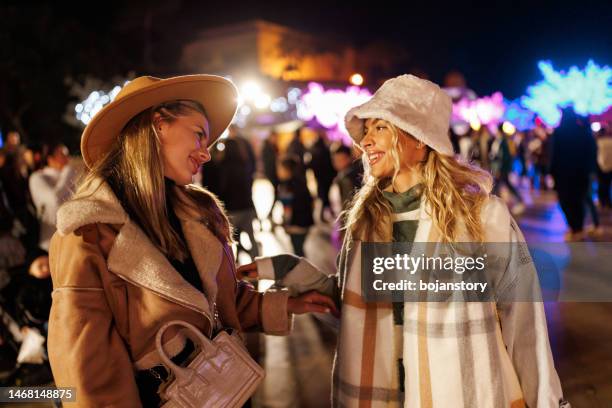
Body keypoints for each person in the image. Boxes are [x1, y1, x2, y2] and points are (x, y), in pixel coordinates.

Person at [241, 75, 567, 407]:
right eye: (366, 130)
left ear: (420, 139)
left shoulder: (480, 215)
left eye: (380, 127)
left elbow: (524, 320)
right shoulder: (366, 220)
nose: (365, 141)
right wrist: (296, 274)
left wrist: (545, 400)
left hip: (463, 392)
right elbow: (359, 304)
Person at [46, 75, 337, 407]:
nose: (206, 154)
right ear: (158, 124)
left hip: (224, 392)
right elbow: (86, 372)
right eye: (199, 135)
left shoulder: (198, 212)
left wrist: (283, 304)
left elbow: (215, 302)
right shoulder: (87, 234)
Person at [550, 108, 597, 241]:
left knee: (566, 201)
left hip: (563, 174)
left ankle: (574, 227)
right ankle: (578, 228)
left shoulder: (559, 133)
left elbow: (554, 155)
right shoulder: (584, 132)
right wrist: (590, 170)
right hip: (581, 173)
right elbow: (591, 152)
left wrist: (552, 172)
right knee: (578, 201)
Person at [28, 143, 78, 251]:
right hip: (50, 244)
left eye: (67, 155)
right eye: (63, 155)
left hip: (71, 243)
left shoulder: (68, 178)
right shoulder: (37, 177)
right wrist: (67, 173)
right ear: (50, 159)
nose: (67, 159)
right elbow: (54, 200)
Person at [276, 155, 314, 257]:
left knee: (297, 252)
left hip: (295, 224)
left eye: (280, 169)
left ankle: (303, 271)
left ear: (287, 170)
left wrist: (285, 224)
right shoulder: (302, 182)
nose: (278, 172)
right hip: (306, 222)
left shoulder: (286, 186)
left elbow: (287, 208)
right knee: (300, 249)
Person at [307, 130, 337, 222]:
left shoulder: (315, 148)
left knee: (323, 196)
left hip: (320, 177)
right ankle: (325, 215)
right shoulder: (324, 149)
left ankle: (325, 214)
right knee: (325, 196)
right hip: (325, 177)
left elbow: (311, 164)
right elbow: (328, 164)